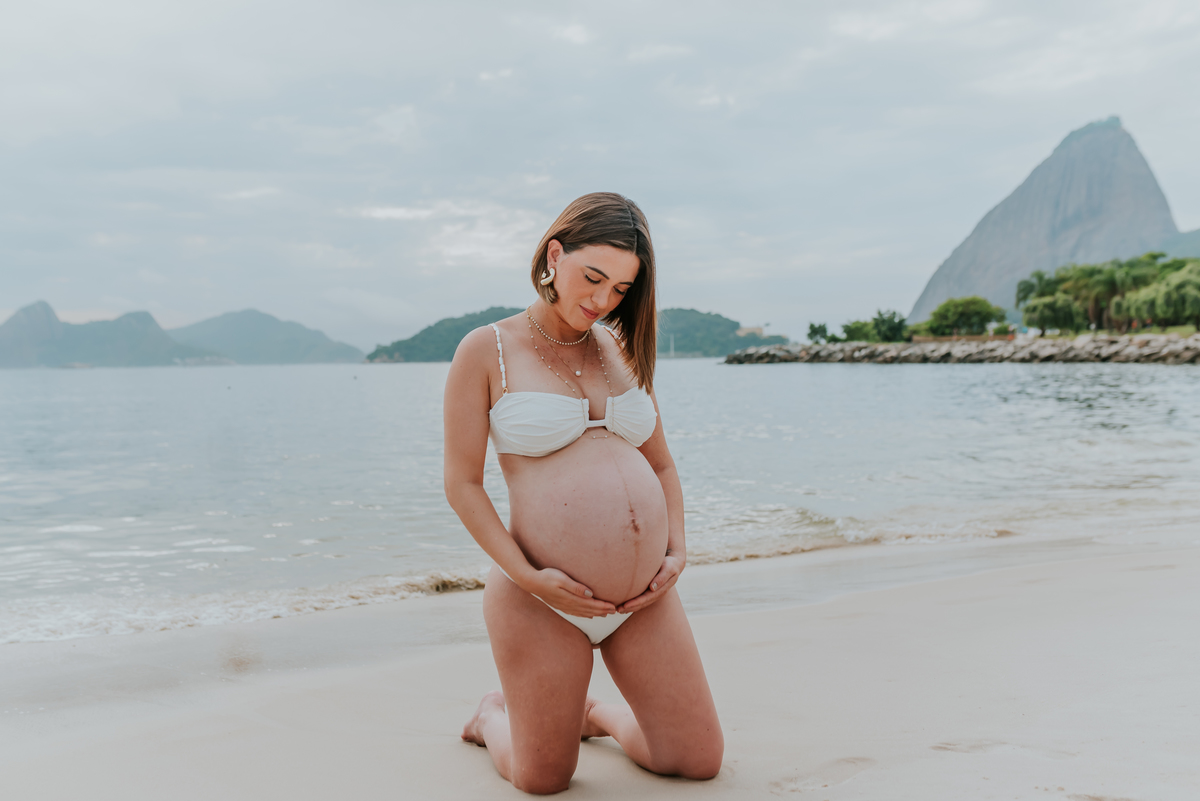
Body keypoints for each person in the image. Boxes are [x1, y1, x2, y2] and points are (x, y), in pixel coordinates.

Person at [443, 192, 723, 794]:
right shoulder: (486, 349)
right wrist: (528, 576)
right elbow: (462, 485)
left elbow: (664, 467)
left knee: (696, 760)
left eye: (621, 289)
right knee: (543, 779)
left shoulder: (623, 348)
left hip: (643, 601)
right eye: (592, 277)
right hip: (541, 597)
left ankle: (596, 716)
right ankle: (492, 717)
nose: (602, 301)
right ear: (554, 254)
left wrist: (676, 549)